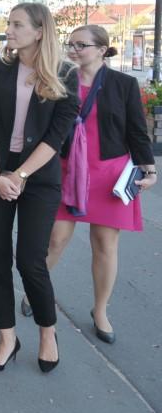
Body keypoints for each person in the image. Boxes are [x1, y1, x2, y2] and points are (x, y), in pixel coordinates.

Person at [20, 25, 156, 343]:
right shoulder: (57, 78)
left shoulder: (123, 84)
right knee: (55, 240)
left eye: (81, 45)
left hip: (109, 173)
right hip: (64, 170)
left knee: (105, 246)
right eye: (71, 44)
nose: (73, 49)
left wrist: (149, 169)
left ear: (102, 49)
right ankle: (34, 291)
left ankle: (101, 310)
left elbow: (137, 130)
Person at [0, 3, 78, 374]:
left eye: (18, 24)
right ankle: (7, 338)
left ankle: (48, 332)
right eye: (9, 23)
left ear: (39, 31)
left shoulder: (65, 74)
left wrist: (18, 176)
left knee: (30, 260)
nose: (10, 29)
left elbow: (56, 138)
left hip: (38, 178)